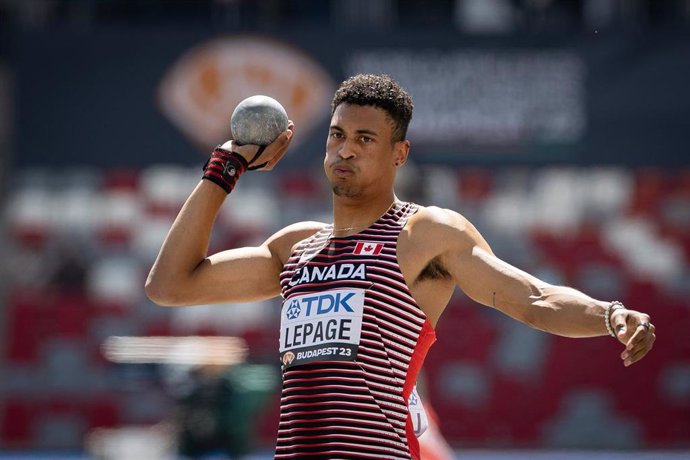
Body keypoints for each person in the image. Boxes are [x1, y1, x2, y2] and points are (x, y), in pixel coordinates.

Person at [145, 73, 656, 459]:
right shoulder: (294, 248)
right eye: (337, 135)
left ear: (399, 153)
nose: (345, 150)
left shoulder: (423, 235)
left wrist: (609, 315)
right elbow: (169, 285)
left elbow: (534, 299)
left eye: (365, 139)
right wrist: (224, 167)